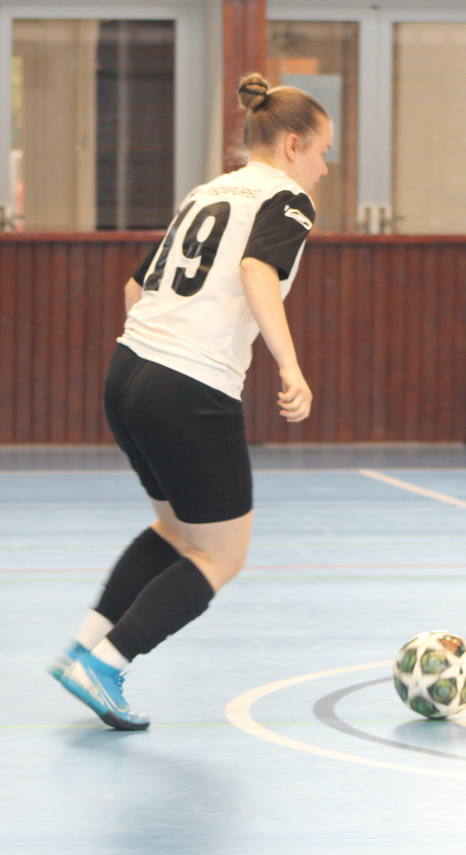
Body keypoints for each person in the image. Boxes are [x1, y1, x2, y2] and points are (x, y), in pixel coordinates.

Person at [48, 73, 333, 730]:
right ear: (292, 145)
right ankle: (106, 664)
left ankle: (83, 648)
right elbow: (256, 270)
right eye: (322, 152)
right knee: (219, 554)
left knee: (176, 531)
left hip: (128, 372)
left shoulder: (208, 191)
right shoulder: (288, 197)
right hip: (188, 387)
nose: (324, 168)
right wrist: (289, 364)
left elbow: (135, 288)